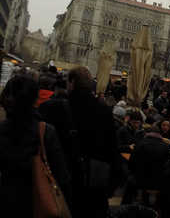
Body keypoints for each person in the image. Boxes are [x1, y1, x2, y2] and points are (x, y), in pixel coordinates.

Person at [40, 65, 119, 218]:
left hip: (63, 184)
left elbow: (45, 147)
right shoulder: (104, 111)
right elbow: (112, 150)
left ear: (73, 82)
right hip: (95, 184)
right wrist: (111, 184)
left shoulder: (55, 108)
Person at [0, 75, 72, 217]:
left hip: (6, 203)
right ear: (36, 98)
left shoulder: (2, 129)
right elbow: (63, 177)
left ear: (11, 96)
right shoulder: (46, 131)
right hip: (39, 204)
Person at [121, 125, 170, 204]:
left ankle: (125, 205)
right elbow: (168, 164)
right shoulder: (165, 147)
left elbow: (131, 163)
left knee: (129, 181)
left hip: (141, 178)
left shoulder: (140, 144)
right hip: (159, 180)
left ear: (146, 134)